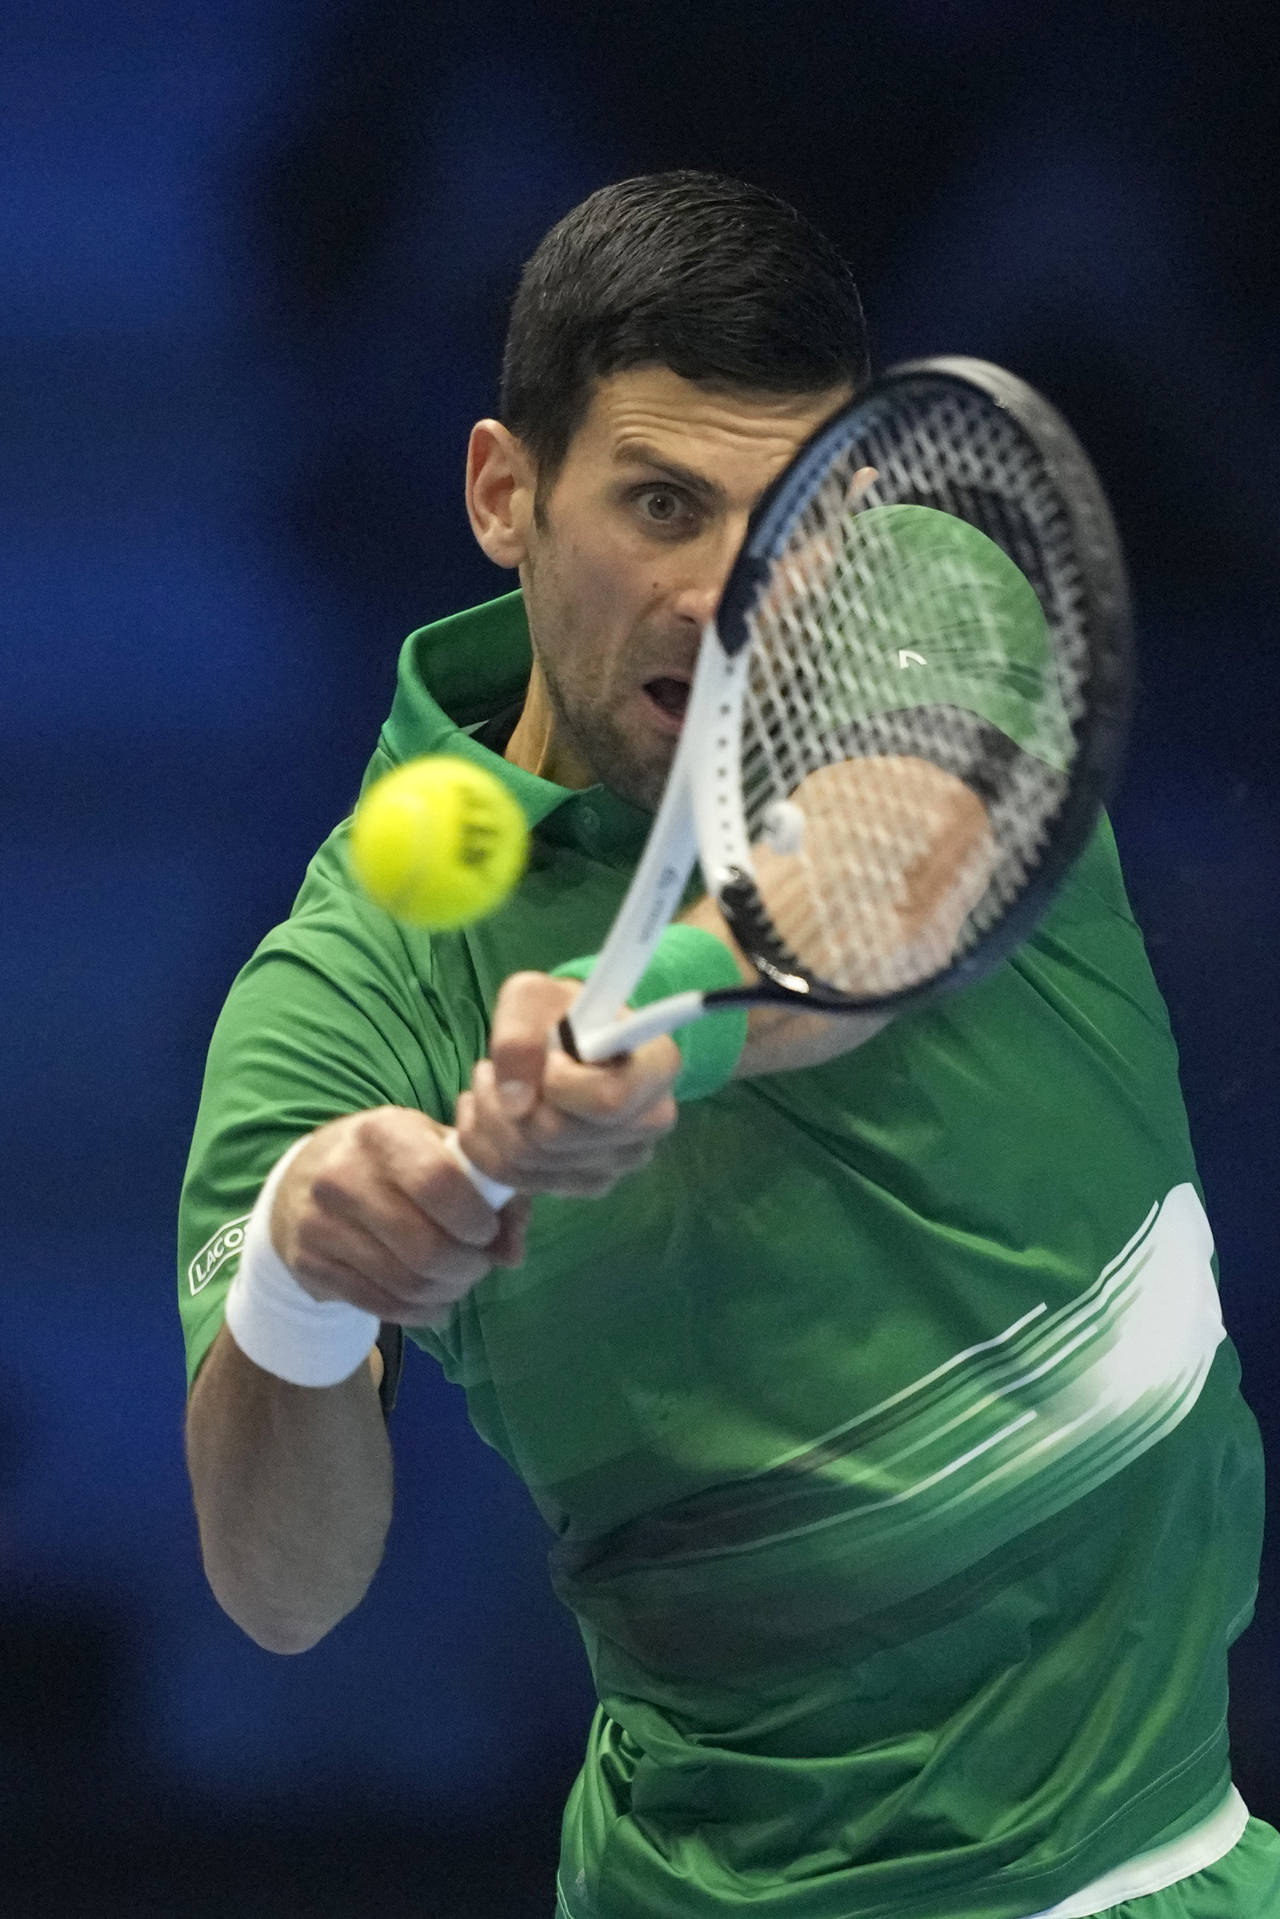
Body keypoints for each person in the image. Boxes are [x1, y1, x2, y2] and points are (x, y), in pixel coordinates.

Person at [179, 173, 1278, 1919]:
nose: (730, 596)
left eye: (788, 520)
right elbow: (281, 1588)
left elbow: (883, 875)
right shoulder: (348, 987)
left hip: (1145, 1869)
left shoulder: (926, 593)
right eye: (662, 506)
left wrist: (658, 1023)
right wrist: (304, 1286)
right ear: (504, 494)